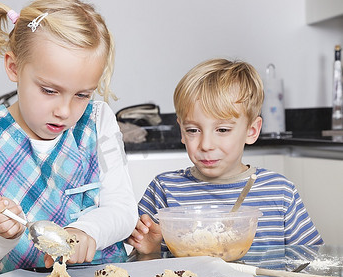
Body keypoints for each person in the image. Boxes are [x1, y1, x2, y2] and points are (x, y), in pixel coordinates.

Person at [0, 0, 138, 277]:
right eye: (49, 90)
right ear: (14, 67)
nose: (64, 111)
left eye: (82, 95)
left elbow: (122, 210)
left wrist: (86, 231)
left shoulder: (98, 121)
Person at [127, 58, 323, 254]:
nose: (206, 145)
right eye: (193, 130)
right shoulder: (164, 190)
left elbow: (312, 261)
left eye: (222, 129)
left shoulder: (280, 192)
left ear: (251, 131)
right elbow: (142, 272)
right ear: (181, 131)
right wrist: (149, 253)